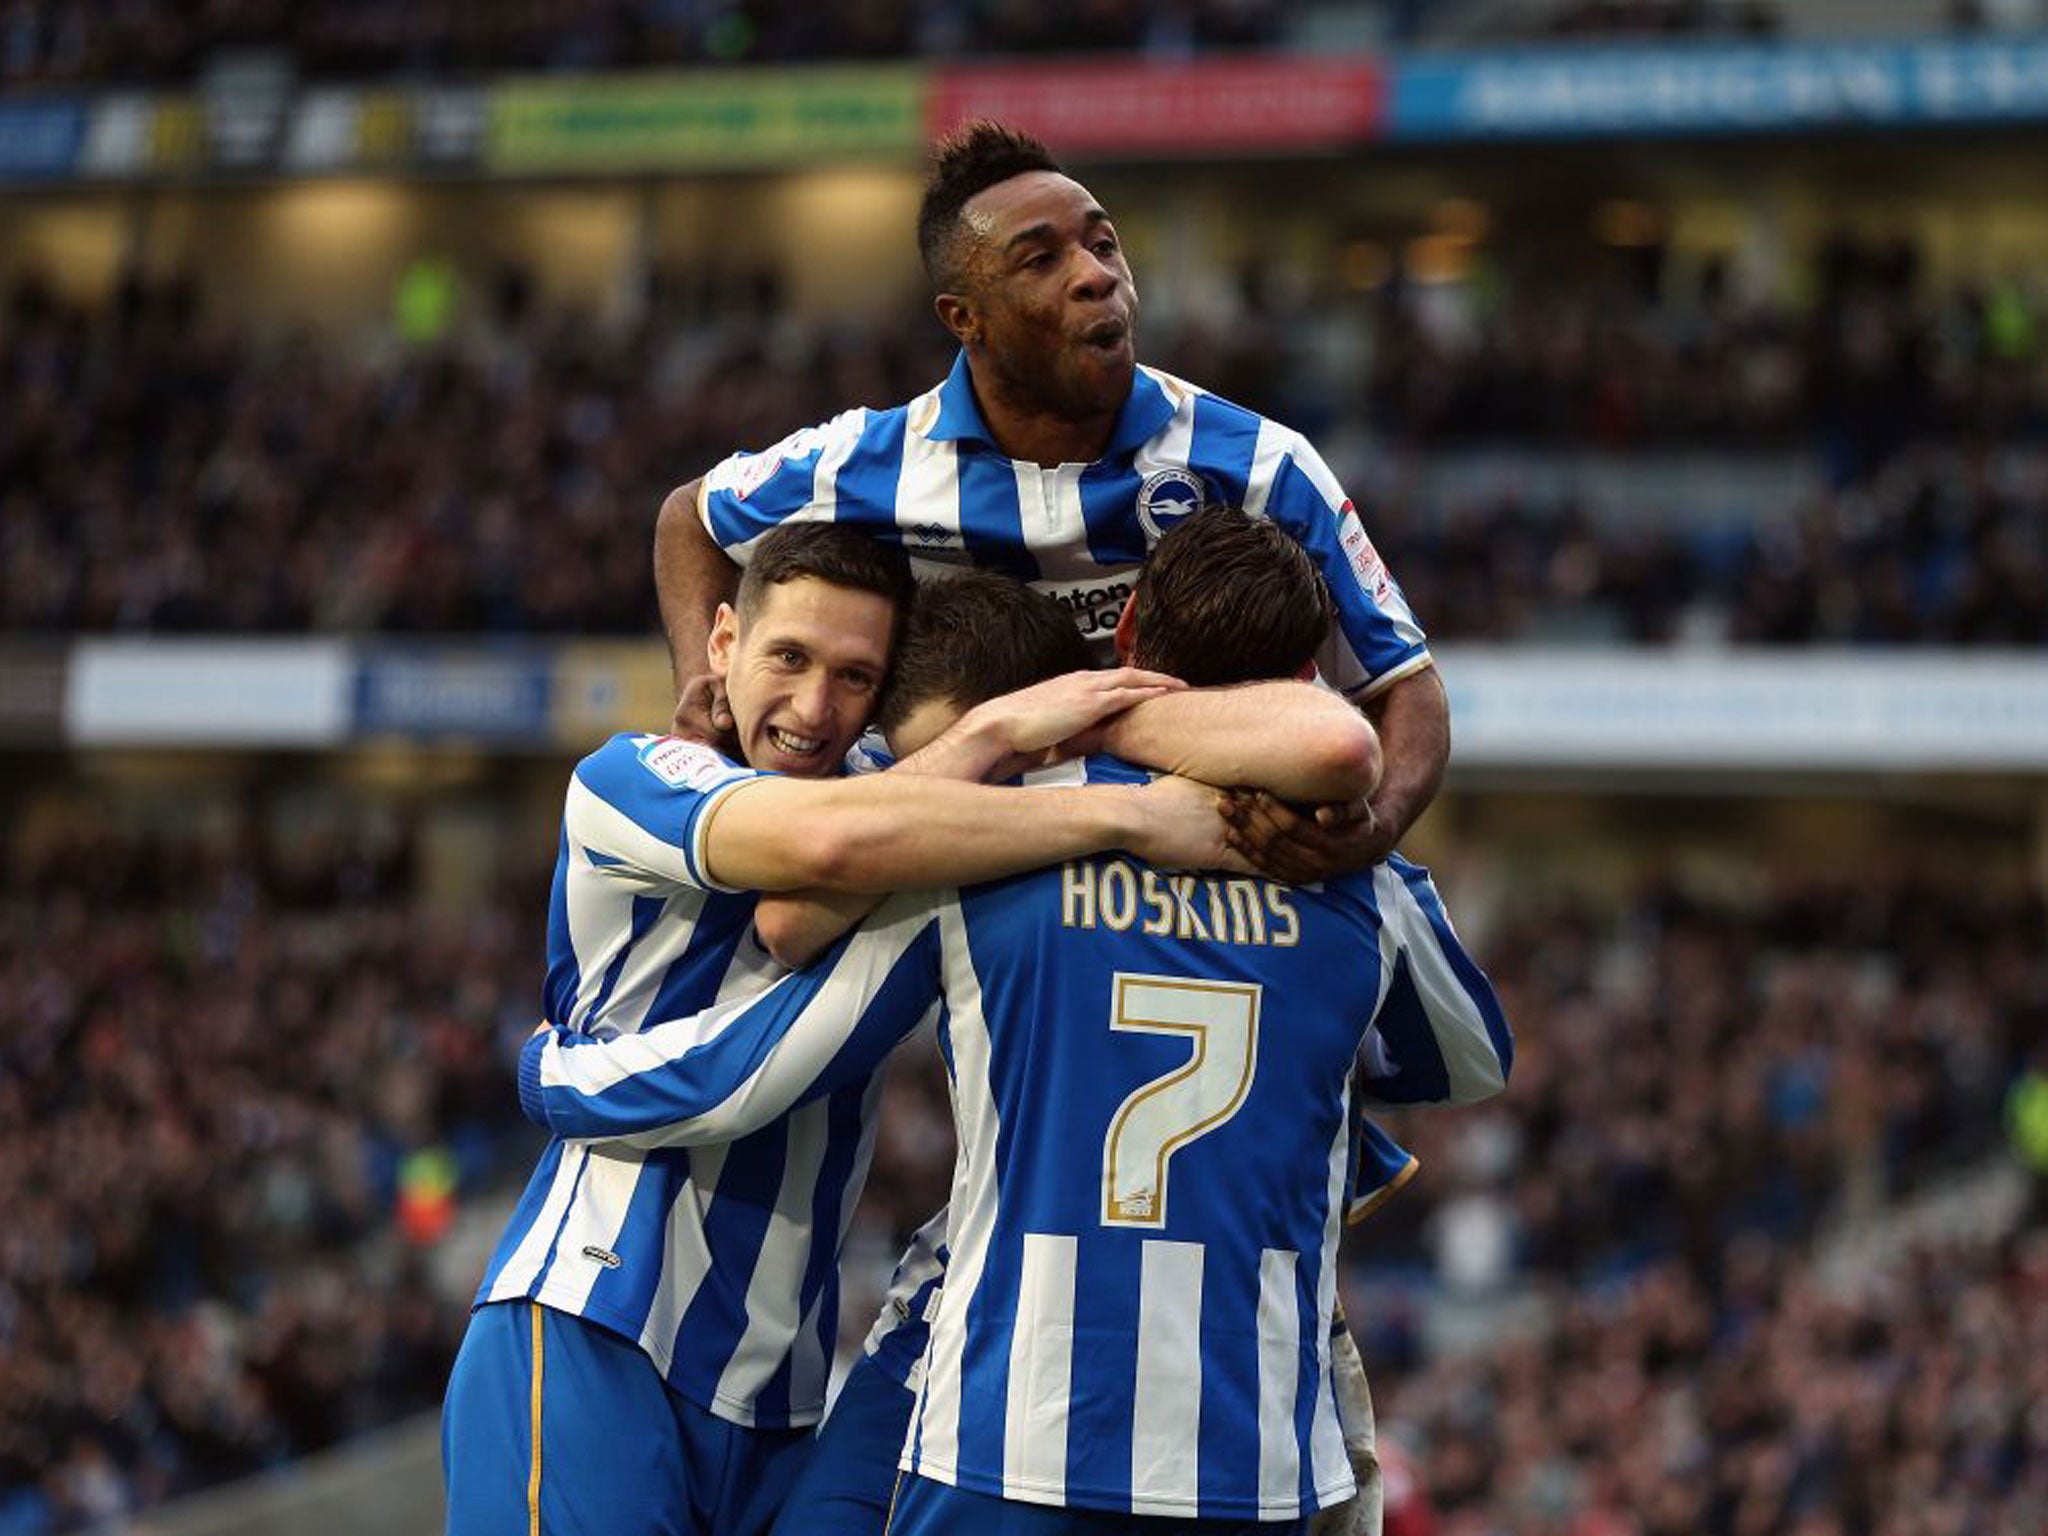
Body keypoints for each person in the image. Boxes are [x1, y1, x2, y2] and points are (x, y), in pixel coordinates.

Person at [523, 509, 1513, 1533]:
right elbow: (1470, 1059)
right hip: (1255, 1443)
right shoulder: (1351, 871)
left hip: (1009, 1423)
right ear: (1303, 669)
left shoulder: (1002, 836)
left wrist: (554, 1076)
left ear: (1122, 636)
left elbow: (773, 996)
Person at [441, 522, 1264, 1536]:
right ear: (720, 644)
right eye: (787, 657)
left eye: (854, 676)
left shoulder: (896, 798)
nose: (813, 708)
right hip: (597, 1323)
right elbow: (826, 855)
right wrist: (1077, 786)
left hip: (778, 1398)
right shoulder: (632, 779)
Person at [652, 120, 1449, 881]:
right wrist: (702, 683)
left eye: (1104, 244)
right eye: (1040, 261)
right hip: (972, 853)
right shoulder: (872, 460)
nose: (1096, 274)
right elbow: (690, 517)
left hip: (1201, 842)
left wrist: (1375, 828)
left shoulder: (1259, 464)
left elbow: (1406, 685)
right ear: (966, 320)